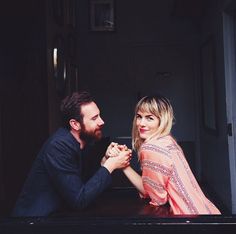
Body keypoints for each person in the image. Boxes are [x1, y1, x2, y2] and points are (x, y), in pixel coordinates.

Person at [12, 91, 131, 217]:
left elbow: (85, 186)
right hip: (33, 223)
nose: (102, 122)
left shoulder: (83, 144)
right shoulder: (58, 146)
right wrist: (111, 165)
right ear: (75, 124)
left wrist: (105, 160)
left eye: (99, 116)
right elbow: (79, 200)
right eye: (94, 118)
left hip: (56, 219)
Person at [108, 94, 221, 215]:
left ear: (161, 121)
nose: (141, 123)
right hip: (206, 212)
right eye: (139, 117)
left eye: (149, 118)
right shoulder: (168, 140)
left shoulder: (151, 148)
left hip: (189, 218)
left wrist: (123, 165)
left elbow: (157, 198)